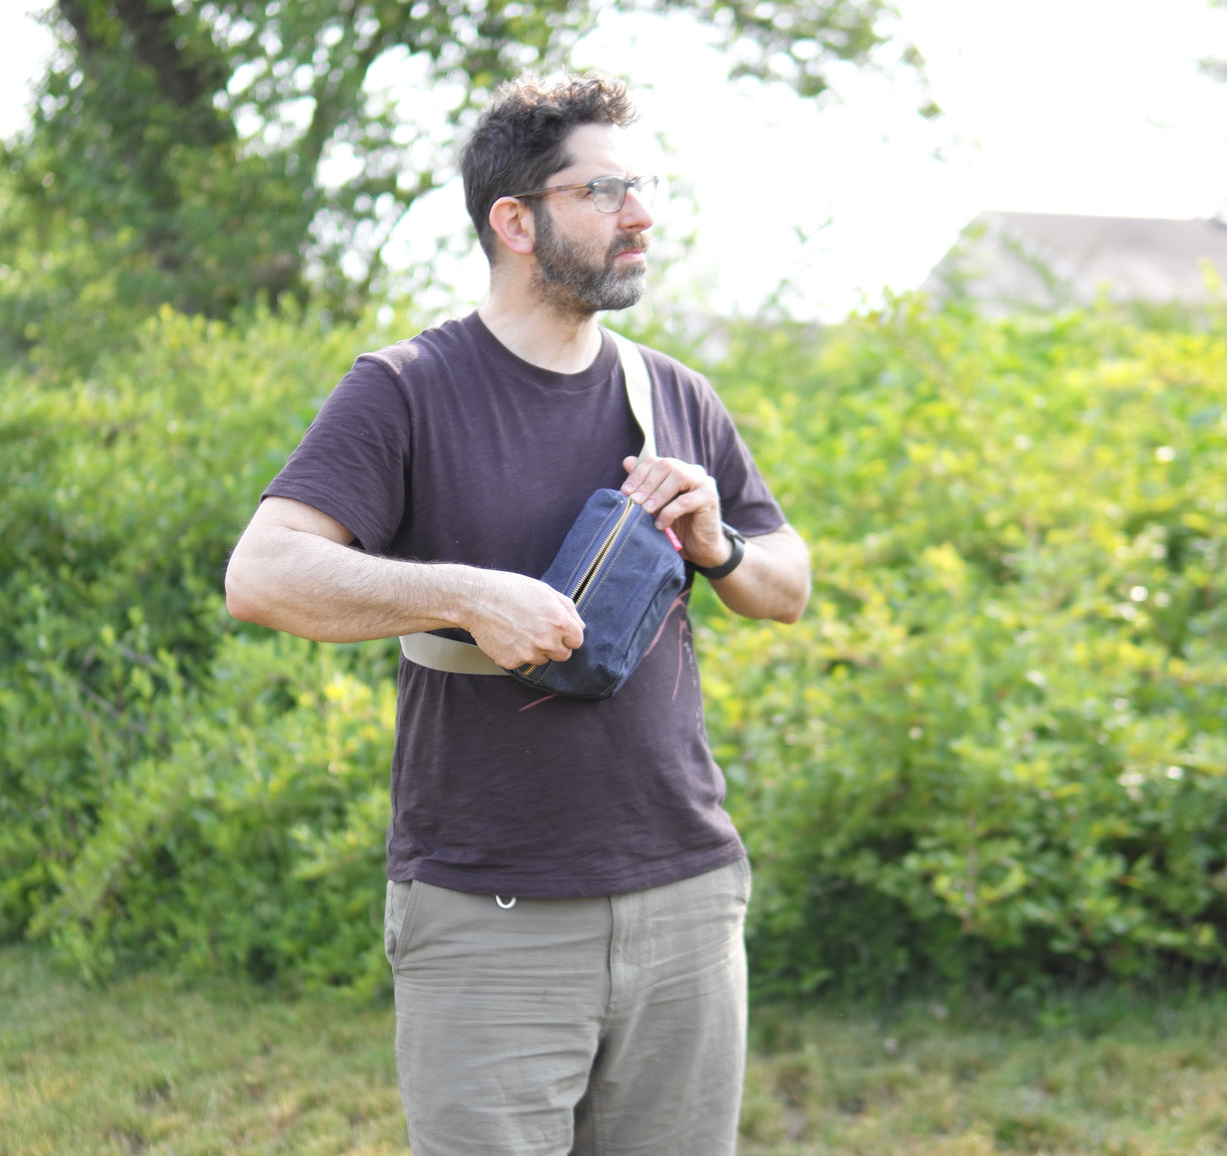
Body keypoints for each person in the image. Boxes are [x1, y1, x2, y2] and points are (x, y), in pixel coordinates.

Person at [225, 70, 811, 1156]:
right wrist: (461, 592)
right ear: (515, 219)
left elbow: (785, 582)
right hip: (489, 910)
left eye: (642, 189)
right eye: (604, 192)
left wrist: (715, 544)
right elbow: (262, 574)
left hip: (684, 893)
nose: (639, 215)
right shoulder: (404, 389)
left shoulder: (674, 393)